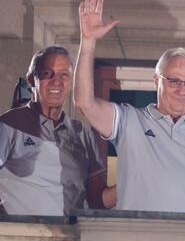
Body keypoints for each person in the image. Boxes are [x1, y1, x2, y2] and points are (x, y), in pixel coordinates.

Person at [73, 0, 185, 213]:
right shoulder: (129, 121)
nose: (182, 90)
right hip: (137, 230)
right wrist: (88, 41)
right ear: (156, 80)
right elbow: (84, 102)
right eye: (174, 81)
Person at [0, 46, 115, 215]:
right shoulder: (9, 125)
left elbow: (97, 200)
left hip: (70, 230)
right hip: (20, 230)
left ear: (71, 82)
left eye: (64, 74)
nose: (56, 82)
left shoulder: (83, 134)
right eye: (47, 73)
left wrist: (137, 181)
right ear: (31, 80)